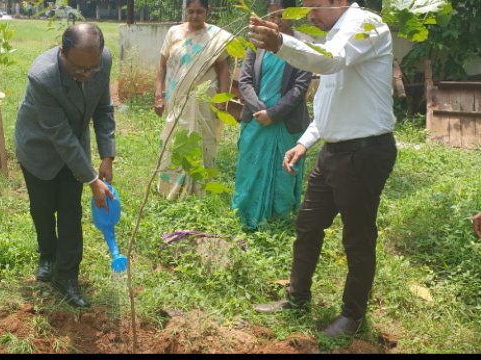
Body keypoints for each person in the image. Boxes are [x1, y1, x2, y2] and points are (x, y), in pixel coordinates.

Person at [248, 0, 397, 337]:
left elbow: (330, 63)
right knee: (307, 225)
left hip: (365, 151)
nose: (308, 14)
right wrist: (305, 141)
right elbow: (330, 100)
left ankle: (351, 316)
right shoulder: (335, 37)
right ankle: (297, 297)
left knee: (357, 236)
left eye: (313, 6)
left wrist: (281, 43)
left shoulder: (366, 25)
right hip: (334, 150)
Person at [15, 23, 115, 308]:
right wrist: (92, 179)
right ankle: (47, 254)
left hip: (74, 146)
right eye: (78, 70)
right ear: (62, 53)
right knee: (43, 208)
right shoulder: (42, 76)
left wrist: (106, 155)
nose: (86, 76)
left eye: (92, 69)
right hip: (39, 147)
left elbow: (103, 108)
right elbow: (59, 135)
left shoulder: (101, 60)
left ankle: (67, 276)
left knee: (70, 210)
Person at [233, 0, 312, 229]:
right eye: (273, 15)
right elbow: (245, 80)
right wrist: (260, 110)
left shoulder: (302, 45)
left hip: (286, 121)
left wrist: (274, 114)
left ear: (292, 15)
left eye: (282, 16)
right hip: (256, 119)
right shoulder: (256, 43)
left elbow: (300, 87)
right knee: (249, 168)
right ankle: (245, 214)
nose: (276, 20)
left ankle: (279, 219)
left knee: (283, 172)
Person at [154, 0, 233, 200]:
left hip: (203, 100)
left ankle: (199, 189)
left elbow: (223, 70)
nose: (195, 16)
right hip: (176, 98)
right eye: (191, 12)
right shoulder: (173, 33)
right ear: (185, 11)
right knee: (174, 140)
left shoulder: (215, 36)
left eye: (199, 12)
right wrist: (158, 93)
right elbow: (161, 65)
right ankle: (170, 186)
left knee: (202, 141)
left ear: (208, 11)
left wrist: (223, 98)